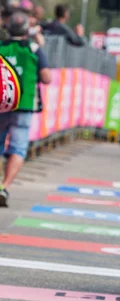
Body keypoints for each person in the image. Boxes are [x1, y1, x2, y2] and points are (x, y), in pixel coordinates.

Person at [0, 10, 51, 206]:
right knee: (18, 148)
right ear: (26, 29)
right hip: (24, 104)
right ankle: (5, 186)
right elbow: (47, 78)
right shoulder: (34, 49)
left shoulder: (1, 46)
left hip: (2, 103)